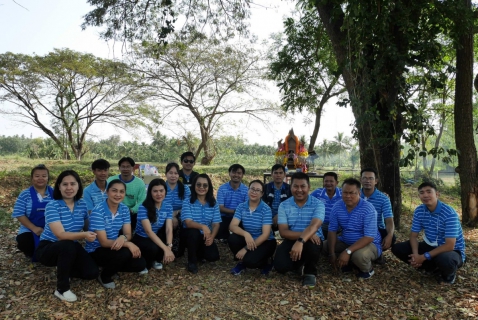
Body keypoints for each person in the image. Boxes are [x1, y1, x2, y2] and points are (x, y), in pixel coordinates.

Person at [35, 170, 99, 302]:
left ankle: (63, 266)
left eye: (73, 184)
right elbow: (60, 235)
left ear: (78, 186)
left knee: (91, 273)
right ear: (59, 186)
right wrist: (84, 235)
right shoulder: (52, 205)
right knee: (67, 245)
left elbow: (88, 226)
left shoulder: (82, 204)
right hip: (49, 248)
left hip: (71, 246)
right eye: (65, 184)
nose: (69, 188)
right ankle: (61, 289)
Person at [391, 182, 466, 284]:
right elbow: (413, 236)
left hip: (450, 250)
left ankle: (448, 274)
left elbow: (450, 245)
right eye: (422, 193)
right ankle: (431, 268)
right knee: (398, 248)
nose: (425, 195)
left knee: (445, 259)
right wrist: (416, 255)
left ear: (437, 194)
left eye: (429, 192)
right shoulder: (419, 211)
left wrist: (423, 257)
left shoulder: (449, 213)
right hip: (430, 245)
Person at [86, 179, 146, 289]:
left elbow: (128, 234)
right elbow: (103, 242)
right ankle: (105, 276)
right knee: (125, 253)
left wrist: (123, 238)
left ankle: (112, 265)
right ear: (108, 192)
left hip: (115, 246)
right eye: (114, 191)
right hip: (96, 249)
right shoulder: (98, 211)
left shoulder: (124, 209)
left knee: (140, 263)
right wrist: (127, 244)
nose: (118, 195)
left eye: (121, 192)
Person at [273, 172, 325, 288]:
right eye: (295, 186)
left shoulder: (318, 204)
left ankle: (310, 272)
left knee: (313, 245)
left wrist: (301, 241)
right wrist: (305, 236)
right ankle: (300, 264)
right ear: (290, 187)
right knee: (280, 266)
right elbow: (283, 232)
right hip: (293, 238)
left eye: (303, 186)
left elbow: (314, 227)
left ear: (309, 187)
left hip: (313, 241)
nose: (299, 190)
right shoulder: (284, 205)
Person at [325, 178, 382, 279]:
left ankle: (368, 270)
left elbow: (369, 237)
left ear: (359, 193)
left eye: (352, 193)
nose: (348, 196)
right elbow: (332, 230)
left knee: (359, 256)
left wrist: (348, 251)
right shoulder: (337, 206)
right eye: (345, 193)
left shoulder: (368, 209)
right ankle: (349, 263)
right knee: (324, 246)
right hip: (346, 240)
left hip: (369, 243)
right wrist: (332, 254)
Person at [229, 180, 277, 276]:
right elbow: (232, 226)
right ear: (248, 190)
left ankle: (266, 262)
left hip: (265, 241)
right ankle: (242, 262)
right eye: (252, 189)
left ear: (262, 194)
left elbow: (265, 235)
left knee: (251, 262)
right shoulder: (241, 206)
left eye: (258, 190)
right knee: (232, 238)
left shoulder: (266, 209)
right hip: (249, 238)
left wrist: (245, 249)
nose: (254, 192)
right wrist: (246, 234)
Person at [12, 164, 54, 260]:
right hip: (30, 228)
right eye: (37, 176)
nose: (40, 178)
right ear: (32, 178)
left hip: (53, 228)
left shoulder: (55, 193)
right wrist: (34, 228)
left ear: (48, 178)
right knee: (24, 241)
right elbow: (19, 213)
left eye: (44, 176)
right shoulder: (25, 194)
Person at [181, 174, 221, 274]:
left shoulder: (213, 203)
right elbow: (188, 223)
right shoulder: (187, 201)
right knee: (193, 233)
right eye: (198, 185)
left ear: (209, 187)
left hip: (206, 235)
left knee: (213, 257)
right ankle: (192, 261)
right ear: (194, 186)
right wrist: (203, 226)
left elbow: (216, 224)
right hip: (189, 234)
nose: (201, 188)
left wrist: (212, 237)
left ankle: (199, 253)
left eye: (205, 185)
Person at [132, 178, 175, 271]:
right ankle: (145, 263)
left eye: (161, 191)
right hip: (142, 237)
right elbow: (148, 231)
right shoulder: (143, 207)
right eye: (155, 191)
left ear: (165, 191)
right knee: (153, 247)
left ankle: (155, 259)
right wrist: (165, 249)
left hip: (156, 234)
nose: (159, 194)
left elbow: (168, 228)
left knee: (166, 239)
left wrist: (169, 246)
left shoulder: (168, 206)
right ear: (150, 192)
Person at [360, 168, 395, 263]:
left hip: (377, 229)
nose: (367, 181)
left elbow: (389, 220)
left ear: (376, 181)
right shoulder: (355, 195)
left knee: (391, 237)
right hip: (358, 227)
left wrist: (390, 235)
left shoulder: (383, 198)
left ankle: (376, 253)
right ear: (361, 180)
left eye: (371, 178)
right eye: (365, 178)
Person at [107, 157, 146, 232]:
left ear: (133, 168)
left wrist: (132, 210)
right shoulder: (111, 180)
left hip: (131, 212)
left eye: (128, 166)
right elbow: (106, 196)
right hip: (112, 210)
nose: (125, 169)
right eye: (123, 166)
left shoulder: (139, 183)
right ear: (119, 168)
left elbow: (142, 200)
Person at [164, 162, 191, 256]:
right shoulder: (161, 187)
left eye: (175, 173)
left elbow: (187, 205)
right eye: (170, 173)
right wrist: (171, 215)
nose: (173, 176)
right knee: (167, 222)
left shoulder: (184, 188)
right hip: (164, 212)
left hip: (181, 213)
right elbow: (159, 204)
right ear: (166, 174)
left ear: (178, 175)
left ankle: (179, 248)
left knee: (183, 221)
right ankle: (166, 246)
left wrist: (175, 214)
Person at [216, 164, 248, 241]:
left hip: (240, 217)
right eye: (234, 172)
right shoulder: (222, 189)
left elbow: (247, 207)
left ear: (242, 175)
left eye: (239, 173)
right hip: (224, 217)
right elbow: (220, 208)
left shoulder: (246, 190)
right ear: (229, 173)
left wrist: (237, 214)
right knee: (219, 230)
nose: (236, 175)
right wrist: (235, 211)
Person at [310, 172, 342, 239]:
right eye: (326, 181)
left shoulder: (343, 193)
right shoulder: (317, 193)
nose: (328, 183)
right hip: (321, 225)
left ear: (337, 182)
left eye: (331, 181)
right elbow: (307, 203)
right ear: (323, 182)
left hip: (338, 227)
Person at [262, 164, 292, 231]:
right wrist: (269, 217)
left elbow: (291, 205)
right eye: (276, 173)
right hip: (267, 216)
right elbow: (262, 204)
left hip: (285, 216)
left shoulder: (289, 189)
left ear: (284, 175)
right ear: (271, 174)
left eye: (281, 173)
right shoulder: (265, 188)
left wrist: (279, 215)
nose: (278, 175)